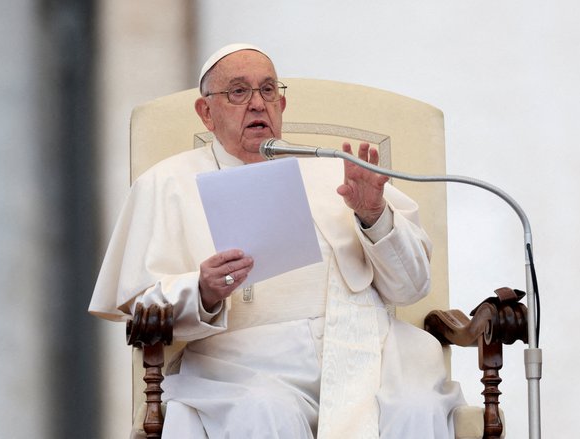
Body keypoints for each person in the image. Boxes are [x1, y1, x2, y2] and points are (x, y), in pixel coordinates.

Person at [89, 43, 465, 439]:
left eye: (268, 90)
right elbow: (142, 307)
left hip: (371, 350)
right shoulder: (165, 184)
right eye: (238, 91)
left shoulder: (340, 173)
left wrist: (374, 217)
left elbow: (412, 287)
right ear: (206, 113)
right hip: (241, 364)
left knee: (416, 408)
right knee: (264, 411)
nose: (257, 104)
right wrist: (201, 291)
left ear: (281, 106)